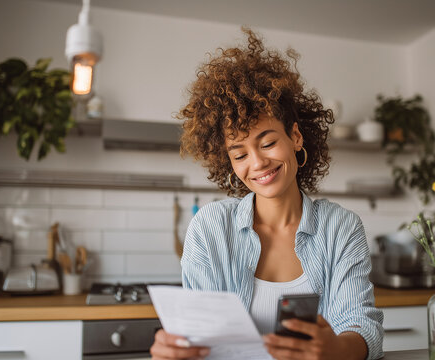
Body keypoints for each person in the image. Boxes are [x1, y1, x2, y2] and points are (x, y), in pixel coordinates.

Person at [150, 28, 384, 360]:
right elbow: (197, 337)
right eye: (240, 154)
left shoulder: (341, 227)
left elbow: (363, 328)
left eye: (268, 142)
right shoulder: (210, 229)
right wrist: (176, 352)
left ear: (296, 138)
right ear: (229, 162)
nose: (258, 163)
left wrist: (336, 349)